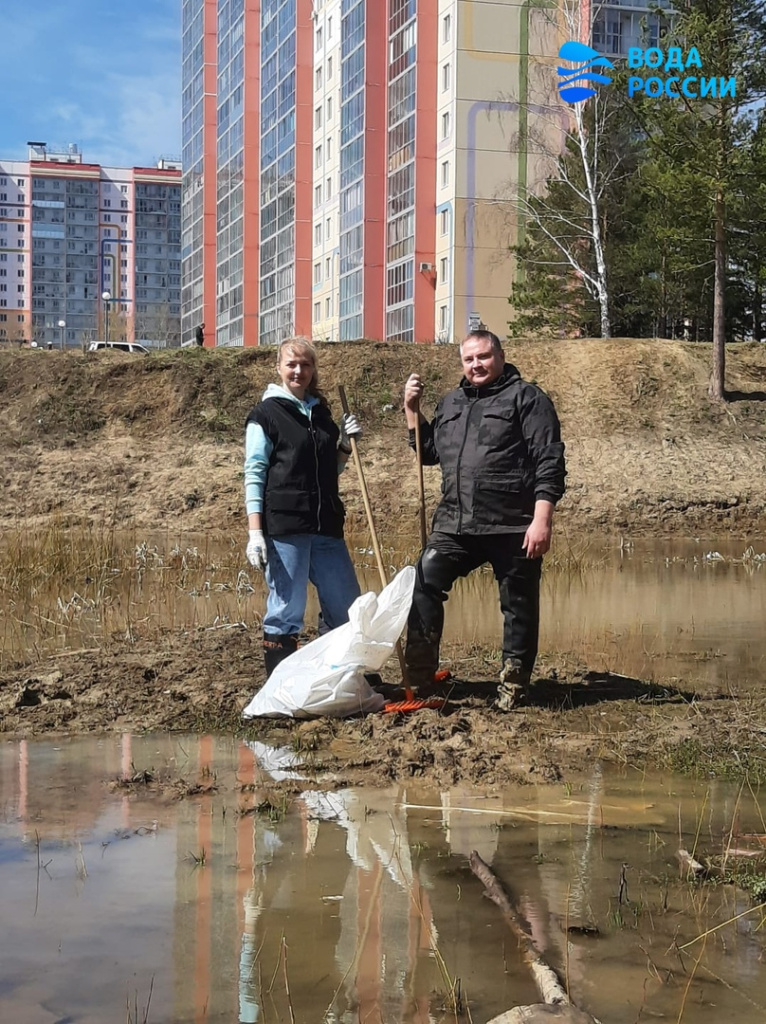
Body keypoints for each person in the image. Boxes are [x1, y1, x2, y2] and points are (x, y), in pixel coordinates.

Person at [403, 329, 566, 710]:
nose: (476, 364)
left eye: (483, 357)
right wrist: (412, 410)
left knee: (518, 603)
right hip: (455, 523)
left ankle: (513, 684)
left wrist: (542, 519)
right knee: (423, 581)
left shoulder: (527, 399)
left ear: (500, 356)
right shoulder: (451, 403)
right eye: (469, 359)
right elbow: (428, 453)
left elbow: (549, 461)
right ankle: (421, 678)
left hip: (513, 524)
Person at [243, 338, 363, 678]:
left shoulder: (321, 412)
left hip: (326, 525)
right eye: (292, 364)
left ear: (313, 370)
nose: (299, 371)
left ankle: (338, 675)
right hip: (286, 526)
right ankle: (280, 682)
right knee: (287, 608)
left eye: (306, 365)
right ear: (279, 368)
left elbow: (332, 470)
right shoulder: (265, 415)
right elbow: (254, 473)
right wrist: (255, 533)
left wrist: (343, 445)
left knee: (346, 604)